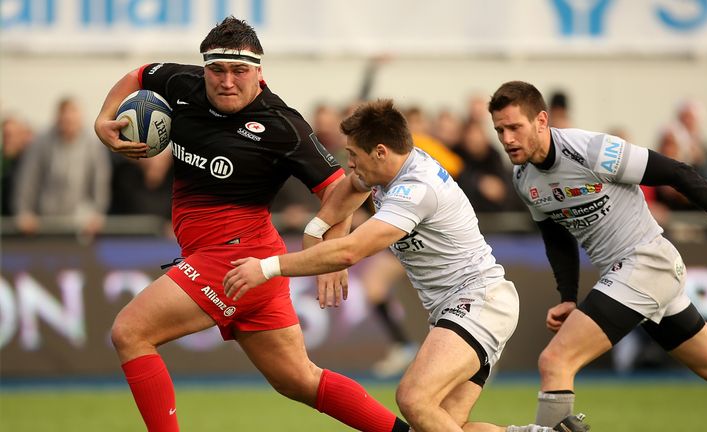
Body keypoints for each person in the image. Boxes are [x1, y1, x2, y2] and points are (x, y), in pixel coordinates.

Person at [93, 17, 409, 432]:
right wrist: (103, 119)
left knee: (130, 332)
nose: (227, 81)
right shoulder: (181, 83)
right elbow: (139, 74)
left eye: (240, 71)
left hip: (235, 259)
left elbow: (343, 189)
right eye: (217, 70)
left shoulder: (283, 126)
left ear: (258, 71)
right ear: (204, 67)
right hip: (249, 264)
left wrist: (333, 253)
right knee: (299, 380)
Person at [222, 99, 589, 432]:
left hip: (478, 302)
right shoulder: (384, 170)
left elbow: (352, 252)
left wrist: (268, 267)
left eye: (353, 153)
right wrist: (317, 230)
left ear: (380, 151)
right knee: (439, 425)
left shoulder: (416, 189)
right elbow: (349, 188)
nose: (348, 162)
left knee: (413, 399)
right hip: (469, 306)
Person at [488, 80, 707, 427]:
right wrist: (568, 297)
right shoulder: (522, 177)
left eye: (515, 127)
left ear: (542, 121)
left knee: (555, 361)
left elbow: (677, 172)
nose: (507, 139)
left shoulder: (591, 150)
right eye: (500, 130)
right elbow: (556, 234)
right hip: (633, 276)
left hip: (646, 263)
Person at [14, 97, 111, 237]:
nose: (68, 121)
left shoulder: (93, 145)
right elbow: (28, 179)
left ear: (80, 118)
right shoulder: (41, 143)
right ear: (58, 118)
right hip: (45, 221)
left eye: (72, 116)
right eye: (64, 117)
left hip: (82, 223)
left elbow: (100, 181)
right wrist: (24, 212)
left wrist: (98, 213)